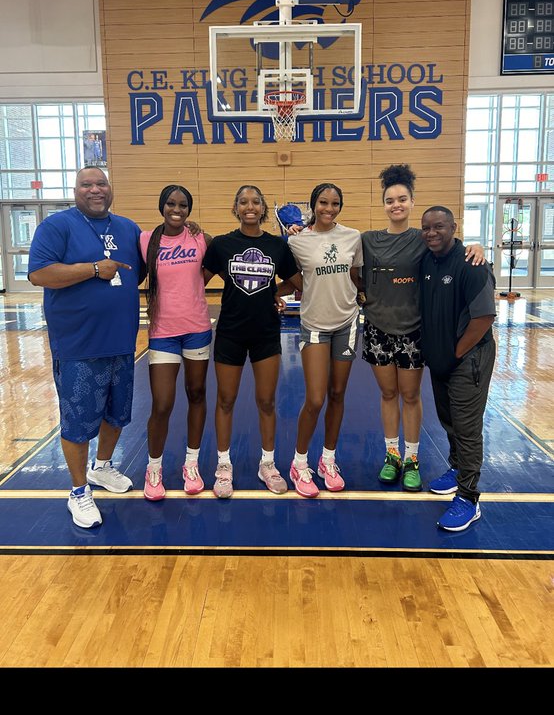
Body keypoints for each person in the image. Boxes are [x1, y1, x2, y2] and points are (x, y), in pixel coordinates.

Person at [28, 167, 144, 529]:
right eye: (87, 184)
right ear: (76, 190)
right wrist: (93, 269)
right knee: (77, 423)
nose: (95, 190)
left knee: (116, 413)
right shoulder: (57, 226)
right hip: (78, 345)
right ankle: (78, 491)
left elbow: (141, 271)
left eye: (101, 183)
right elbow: (39, 274)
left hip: (122, 342)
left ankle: (103, 468)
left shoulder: (128, 228)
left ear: (111, 189)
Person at [359, 163, 485, 492]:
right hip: (376, 330)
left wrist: (477, 246)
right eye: (390, 200)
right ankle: (392, 457)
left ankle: (412, 458)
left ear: (412, 201)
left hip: (413, 331)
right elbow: (347, 264)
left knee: (411, 396)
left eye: (402, 199)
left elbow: (451, 246)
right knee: (388, 394)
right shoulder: (369, 240)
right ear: (383, 204)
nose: (396, 205)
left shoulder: (423, 238)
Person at [201, 184, 299, 498]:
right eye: (243, 201)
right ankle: (223, 466)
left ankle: (267, 464)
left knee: (267, 401)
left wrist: (275, 293)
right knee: (225, 401)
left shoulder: (277, 246)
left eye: (256, 201)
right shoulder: (222, 244)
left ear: (263, 208)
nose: (250, 206)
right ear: (236, 208)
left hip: (266, 332)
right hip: (230, 331)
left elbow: (297, 283)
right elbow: (196, 280)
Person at [276, 182, 364, 497]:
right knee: (315, 399)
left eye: (335, 203)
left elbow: (356, 276)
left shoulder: (353, 237)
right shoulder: (297, 242)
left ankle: (328, 459)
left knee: (338, 394)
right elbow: (291, 278)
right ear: (313, 205)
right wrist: (275, 293)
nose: (329, 208)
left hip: (348, 323)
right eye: (323, 203)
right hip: (314, 325)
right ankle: (299, 464)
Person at [419, 205, 496, 531]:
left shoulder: (471, 263)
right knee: (448, 418)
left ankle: (468, 497)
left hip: (469, 359)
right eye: (427, 228)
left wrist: (457, 353)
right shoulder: (426, 259)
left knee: (466, 427)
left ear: (454, 227)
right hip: (441, 358)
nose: (432, 233)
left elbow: (483, 318)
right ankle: (455, 468)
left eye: (439, 227)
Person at [140, 185, 213, 501]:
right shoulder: (146, 240)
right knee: (162, 403)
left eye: (183, 205)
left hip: (197, 328)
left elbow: (209, 272)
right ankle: (153, 468)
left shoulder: (200, 238)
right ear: (161, 205)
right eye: (171, 203)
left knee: (196, 393)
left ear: (189, 209)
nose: (177, 209)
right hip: (162, 332)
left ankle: (191, 464)